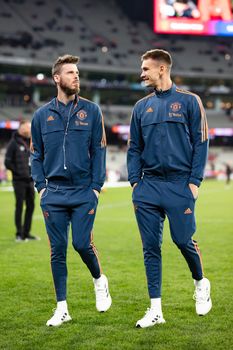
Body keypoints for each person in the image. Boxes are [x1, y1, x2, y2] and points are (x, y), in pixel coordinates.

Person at [127, 49, 211, 328]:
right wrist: (135, 181)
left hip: (179, 185)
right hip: (147, 186)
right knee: (150, 248)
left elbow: (201, 142)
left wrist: (194, 181)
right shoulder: (141, 107)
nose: (142, 73)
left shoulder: (189, 101)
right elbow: (134, 147)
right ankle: (155, 310)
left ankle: (200, 283)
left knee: (182, 240)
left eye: (146, 69)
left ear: (162, 69)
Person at [30, 54, 111, 327]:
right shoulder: (41, 116)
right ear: (57, 78)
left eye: (77, 72)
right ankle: (62, 308)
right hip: (52, 193)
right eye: (70, 73)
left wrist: (96, 187)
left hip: (82, 191)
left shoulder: (92, 111)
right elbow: (36, 155)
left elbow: (99, 150)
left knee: (81, 243)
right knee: (57, 250)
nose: (76, 76)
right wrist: (41, 187)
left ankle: (99, 280)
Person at [4, 120, 37, 242]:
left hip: (30, 180)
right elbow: (7, 162)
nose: (29, 130)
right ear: (21, 128)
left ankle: (26, 233)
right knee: (19, 206)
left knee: (31, 206)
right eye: (27, 128)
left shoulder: (31, 142)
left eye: (29, 128)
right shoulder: (13, 143)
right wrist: (18, 173)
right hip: (19, 181)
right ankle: (19, 233)